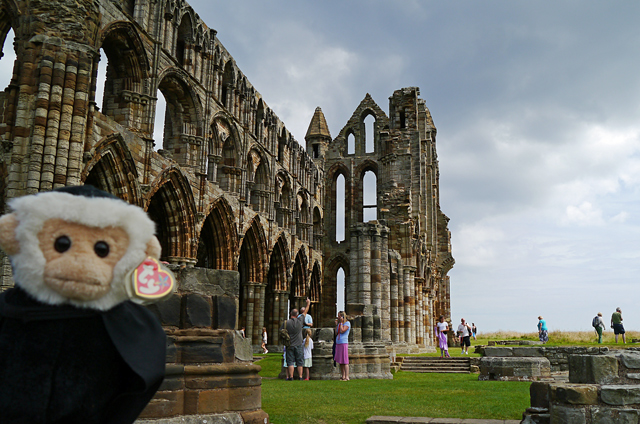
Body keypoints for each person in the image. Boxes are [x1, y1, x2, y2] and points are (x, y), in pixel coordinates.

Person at [281, 297, 311, 380]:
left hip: (289, 344)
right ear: (297, 315)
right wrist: (308, 303)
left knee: (290, 362)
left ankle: (291, 377)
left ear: (290, 314)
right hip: (298, 344)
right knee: (299, 362)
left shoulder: (286, 322)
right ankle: (301, 377)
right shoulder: (300, 320)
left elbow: (281, 331)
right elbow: (305, 312)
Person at [335, 311, 351, 381]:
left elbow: (342, 331)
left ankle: (347, 376)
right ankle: (343, 376)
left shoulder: (347, 323)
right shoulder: (340, 324)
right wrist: (337, 325)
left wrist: (341, 323)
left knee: (345, 360)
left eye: (339, 316)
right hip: (338, 342)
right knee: (340, 360)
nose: (338, 318)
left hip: (343, 342)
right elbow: (337, 332)